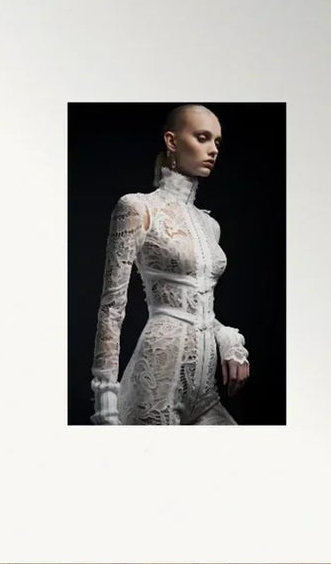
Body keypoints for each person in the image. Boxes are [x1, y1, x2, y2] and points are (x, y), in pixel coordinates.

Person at [89, 104, 250, 425]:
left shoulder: (209, 225)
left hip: (205, 390)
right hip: (157, 380)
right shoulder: (137, 207)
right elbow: (112, 307)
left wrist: (229, 339)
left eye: (217, 142)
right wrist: (105, 401)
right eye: (202, 138)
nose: (212, 150)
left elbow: (198, 306)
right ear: (172, 141)